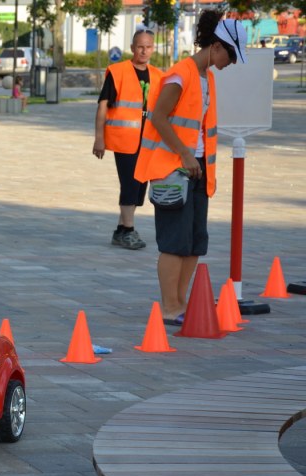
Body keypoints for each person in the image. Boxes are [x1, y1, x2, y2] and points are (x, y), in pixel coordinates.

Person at [134, 11, 247, 325]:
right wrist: (184, 154)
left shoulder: (207, 77)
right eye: (231, 56)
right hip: (173, 169)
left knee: (195, 242)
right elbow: (158, 117)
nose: (231, 63)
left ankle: (181, 303)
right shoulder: (180, 74)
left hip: (197, 170)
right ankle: (170, 307)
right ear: (217, 46)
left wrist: (199, 163)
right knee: (174, 242)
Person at [93, 28, 161, 250]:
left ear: (153, 48)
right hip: (124, 140)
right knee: (130, 184)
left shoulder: (159, 76)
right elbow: (103, 106)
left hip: (147, 141)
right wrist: (99, 138)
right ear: (132, 48)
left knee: (139, 187)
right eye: (140, 46)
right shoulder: (118, 72)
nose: (144, 51)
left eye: (148, 47)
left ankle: (121, 230)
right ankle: (129, 231)